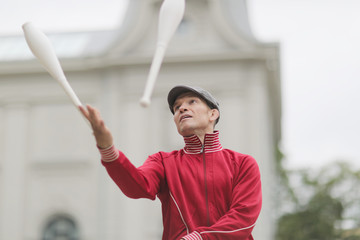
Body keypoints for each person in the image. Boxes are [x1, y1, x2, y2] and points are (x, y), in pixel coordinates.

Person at [80, 85, 262, 240]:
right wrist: (107, 147)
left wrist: (197, 238)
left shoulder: (243, 163)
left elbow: (243, 219)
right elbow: (136, 187)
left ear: (213, 114)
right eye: (176, 107)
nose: (181, 109)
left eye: (192, 102)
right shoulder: (162, 162)